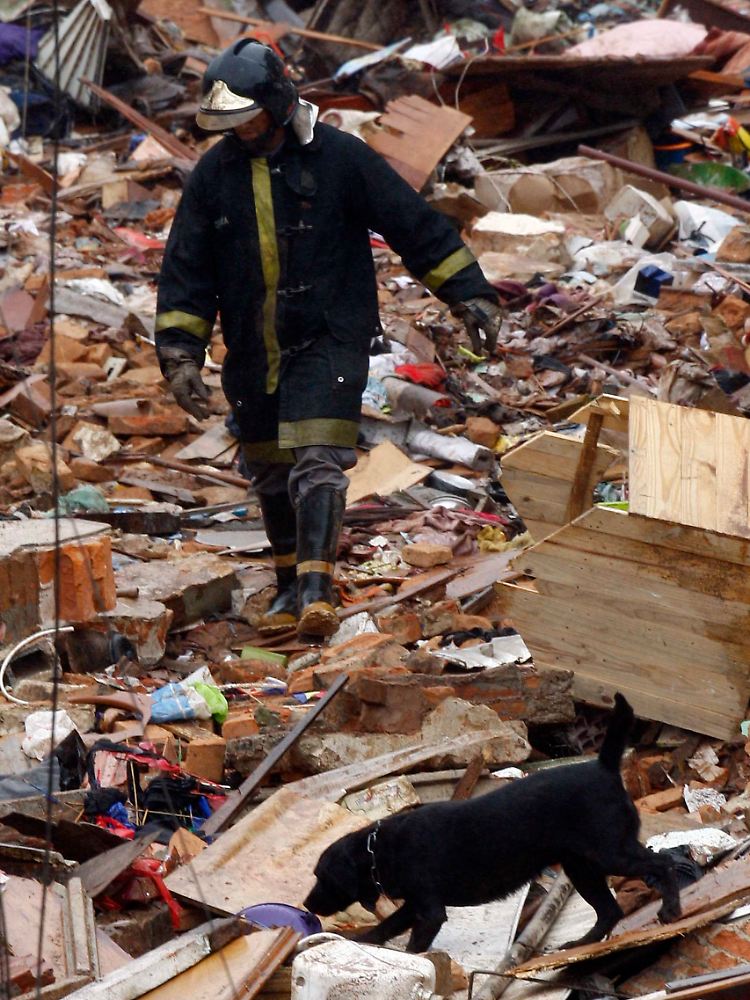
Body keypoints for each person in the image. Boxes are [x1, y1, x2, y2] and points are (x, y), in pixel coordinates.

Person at [155, 39, 502, 640]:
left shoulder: (341, 158)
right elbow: (187, 268)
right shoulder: (214, 175)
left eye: (251, 119)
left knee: (317, 460)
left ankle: (317, 588)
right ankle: (289, 585)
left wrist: (467, 290)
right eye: (232, 124)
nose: (242, 133)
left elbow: (410, 222)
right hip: (253, 348)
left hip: (331, 337)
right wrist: (181, 352)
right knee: (267, 468)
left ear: (279, 104)